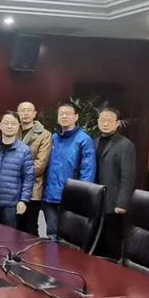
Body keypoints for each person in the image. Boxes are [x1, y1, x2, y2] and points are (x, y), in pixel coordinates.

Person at [43, 101, 96, 240]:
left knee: (69, 239)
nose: (64, 116)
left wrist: (81, 196)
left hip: (71, 198)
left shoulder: (84, 140)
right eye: (61, 114)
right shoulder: (53, 138)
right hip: (50, 196)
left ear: (76, 117)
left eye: (68, 114)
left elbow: (88, 171)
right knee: (51, 235)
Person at [95, 107, 136, 259]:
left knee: (111, 243)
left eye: (109, 121)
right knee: (96, 243)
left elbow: (128, 176)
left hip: (113, 203)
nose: (105, 124)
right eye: (102, 120)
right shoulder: (94, 141)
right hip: (96, 199)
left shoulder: (125, 145)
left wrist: (122, 203)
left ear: (117, 123)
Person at [16, 101, 52, 236]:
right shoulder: (13, 130)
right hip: (13, 189)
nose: (25, 113)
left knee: (30, 229)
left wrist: (14, 173)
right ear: (18, 113)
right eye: (22, 110)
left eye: (29, 110)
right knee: (14, 228)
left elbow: (40, 165)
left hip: (33, 189)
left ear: (34, 114)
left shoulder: (44, 134)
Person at [0, 111, 34, 228]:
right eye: (6, 123)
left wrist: (23, 200)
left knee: (9, 236)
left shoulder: (24, 150)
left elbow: (28, 178)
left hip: (11, 204)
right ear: (0, 125)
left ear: (18, 126)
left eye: (13, 123)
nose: (9, 126)